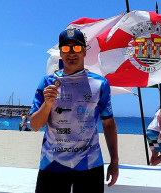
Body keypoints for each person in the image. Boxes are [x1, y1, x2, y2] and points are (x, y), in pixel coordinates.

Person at [29, 29, 119, 193]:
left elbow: (108, 122)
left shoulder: (100, 84)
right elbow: (35, 125)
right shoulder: (48, 82)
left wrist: (114, 160)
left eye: (76, 48)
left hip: (89, 165)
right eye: (66, 48)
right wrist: (47, 104)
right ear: (60, 53)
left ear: (84, 51)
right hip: (52, 164)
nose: (71, 53)